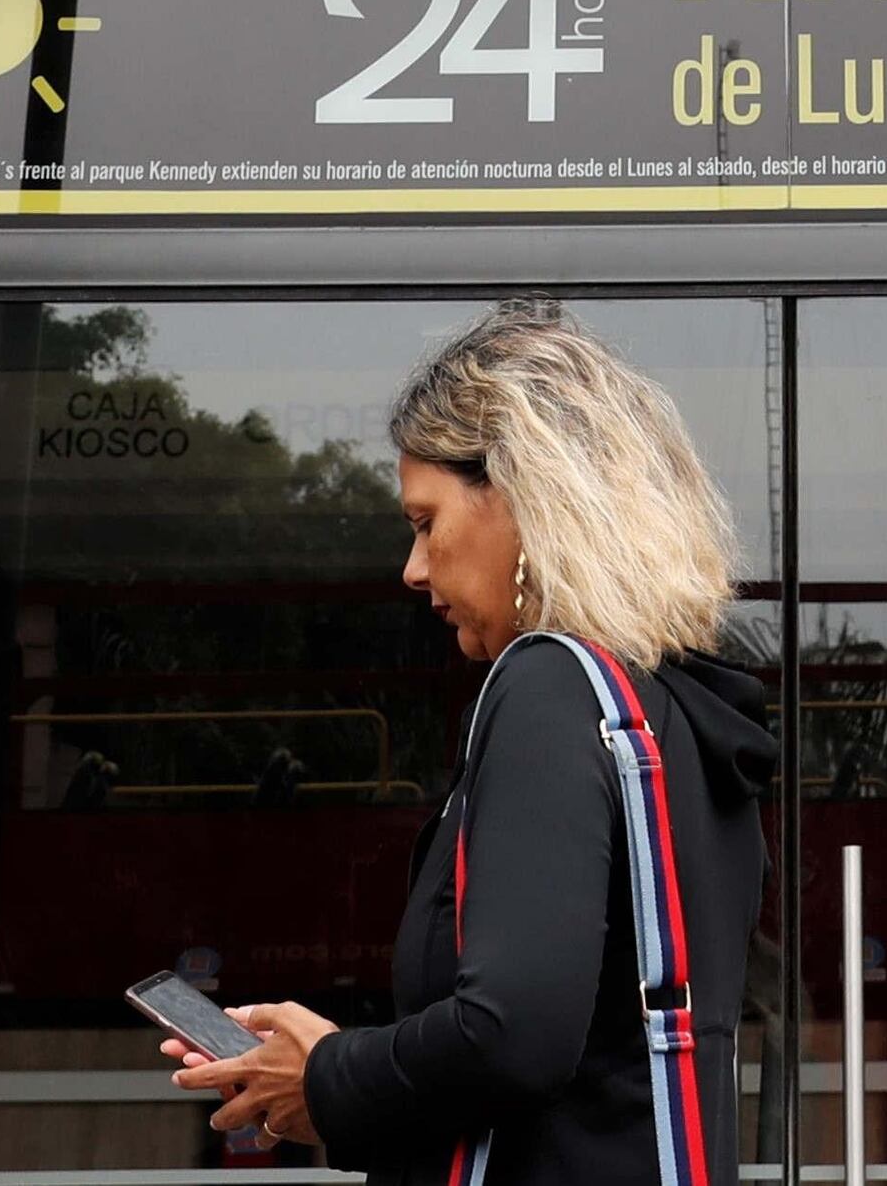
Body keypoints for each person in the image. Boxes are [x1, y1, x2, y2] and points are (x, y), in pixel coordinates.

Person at [170, 302, 777, 1183]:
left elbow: (513, 1033)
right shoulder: (680, 714)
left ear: (529, 500)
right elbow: (591, 1072)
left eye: (425, 521)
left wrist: (329, 1073)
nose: (413, 569)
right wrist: (341, 1095)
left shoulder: (547, 686)